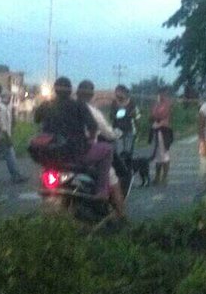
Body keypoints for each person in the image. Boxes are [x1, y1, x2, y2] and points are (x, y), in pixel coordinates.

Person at [33, 77, 113, 207]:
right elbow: (93, 127)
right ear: (70, 91)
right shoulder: (78, 105)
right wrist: (91, 139)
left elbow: (36, 119)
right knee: (107, 149)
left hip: (52, 156)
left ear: (55, 89)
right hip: (76, 153)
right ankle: (102, 191)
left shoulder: (46, 105)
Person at [75, 80, 128, 219]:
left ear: (77, 92)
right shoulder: (93, 112)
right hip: (86, 154)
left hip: (66, 155)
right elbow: (108, 133)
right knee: (112, 177)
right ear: (91, 95)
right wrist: (116, 134)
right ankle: (121, 217)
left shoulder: (67, 108)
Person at [0, 84, 27, 184]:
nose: (9, 98)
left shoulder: (7, 106)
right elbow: (0, 122)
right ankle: (15, 175)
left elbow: (10, 121)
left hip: (2, 134)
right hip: (0, 134)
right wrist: (6, 134)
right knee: (7, 154)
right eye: (7, 96)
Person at [151, 86, 174, 185]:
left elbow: (163, 115)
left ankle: (164, 177)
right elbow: (152, 115)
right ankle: (157, 176)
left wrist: (157, 118)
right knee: (157, 155)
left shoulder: (167, 104)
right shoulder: (156, 104)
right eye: (160, 94)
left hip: (164, 130)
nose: (161, 96)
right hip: (156, 130)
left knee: (164, 154)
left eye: (163, 94)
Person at [110, 84, 139, 160]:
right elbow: (112, 116)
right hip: (117, 130)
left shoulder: (132, 102)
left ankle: (127, 169)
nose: (116, 93)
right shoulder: (114, 103)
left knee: (128, 152)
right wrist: (125, 114)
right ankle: (119, 169)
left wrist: (137, 131)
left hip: (129, 130)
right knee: (118, 152)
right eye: (116, 92)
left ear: (123, 92)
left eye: (117, 91)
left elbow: (135, 116)